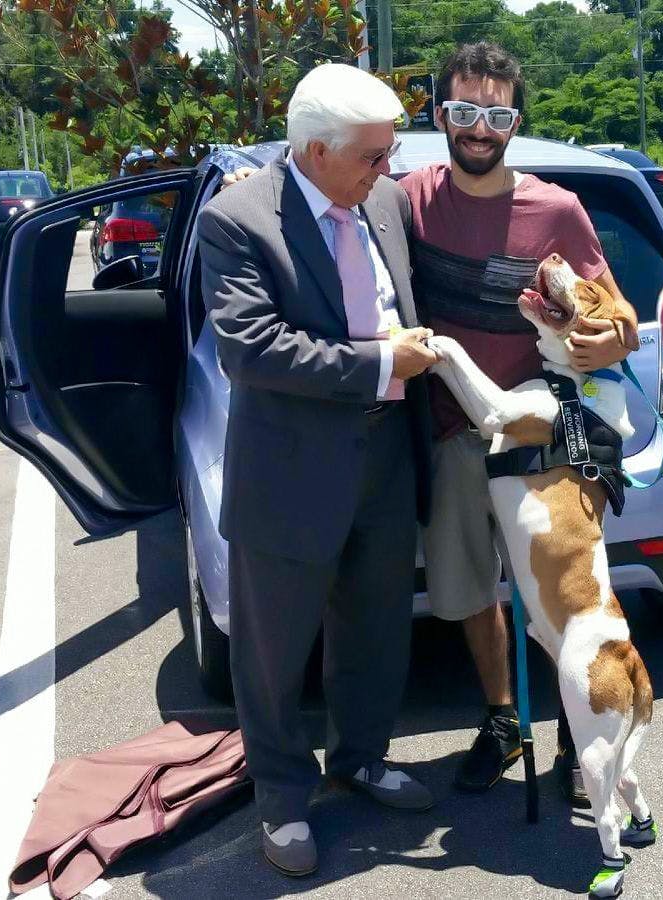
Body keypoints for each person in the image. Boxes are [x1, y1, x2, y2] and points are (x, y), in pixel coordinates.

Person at [197, 63, 439, 878]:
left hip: (386, 455)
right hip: (292, 468)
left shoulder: (385, 200)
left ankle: (362, 758)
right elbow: (252, 347)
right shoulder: (236, 220)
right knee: (273, 650)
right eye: (373, 156)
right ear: (311, 151)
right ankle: (282, 797)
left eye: (390, 153)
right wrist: (380, 364)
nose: (388, 169)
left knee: (375, 628)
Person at [399, 42, 640, 802]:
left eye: (495, 113)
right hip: (453, 434)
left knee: (558, 594)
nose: (479, 127)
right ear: (440, 114)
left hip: (545, 437)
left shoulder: (556, 209)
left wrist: (618, 336)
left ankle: (576, 737)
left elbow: (621, 314)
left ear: (515, 120)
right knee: (470, 589)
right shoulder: (408, 199)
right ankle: (503, 719)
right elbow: (331, 199)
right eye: (464, 110)